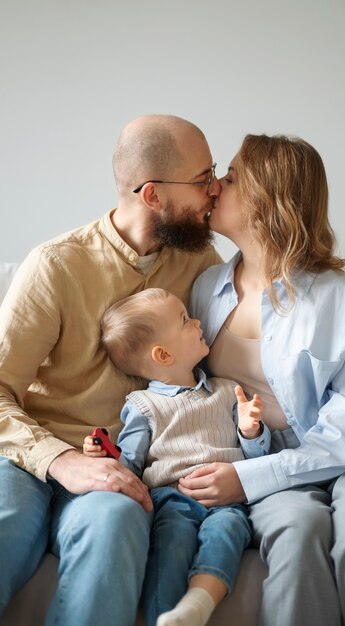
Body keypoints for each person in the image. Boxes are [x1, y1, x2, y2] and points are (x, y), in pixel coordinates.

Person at [178, 134, 345, 626]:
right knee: (299, 528)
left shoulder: (341, 298)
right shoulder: (205, 288)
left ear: (267, 198)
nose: (216, 187)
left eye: (231, 177)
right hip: (265, 454)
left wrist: (248, 479)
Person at [0, 114, 223, 626]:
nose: (214, 189)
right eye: (202, 178)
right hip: (30, 458)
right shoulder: (56, 265)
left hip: (121, 473)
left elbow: (242, 364)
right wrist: (60, 460)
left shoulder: (203, 265)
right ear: (153, 195)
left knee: (119, 519)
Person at [83, 287, 269, 626]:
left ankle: (198, 602)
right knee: (170, 547)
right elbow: (130, 466)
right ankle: (164, 616)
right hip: (171, 498)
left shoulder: (228, 390)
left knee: (229, 529)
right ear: (163, 355)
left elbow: (258, 456)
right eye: (185, 320)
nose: (197, 321)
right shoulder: (143, 406)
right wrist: (102, 457)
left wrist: (250, 430)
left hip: (228, 498)